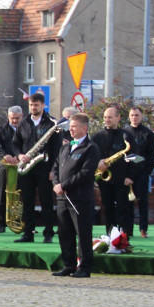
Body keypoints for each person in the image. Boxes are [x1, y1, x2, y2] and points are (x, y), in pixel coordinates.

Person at [51, 113, 100, 278]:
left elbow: (86, 173)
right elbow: (56, 167)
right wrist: (57, 184)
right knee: (65, 233)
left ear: (84, 128)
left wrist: (64, 185)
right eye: (70, 126)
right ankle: (68, 265)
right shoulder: (66, 147)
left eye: (74, 126)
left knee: (83, 234)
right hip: (62, 198)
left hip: (80, 198)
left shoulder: (90, 148)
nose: (70, 129)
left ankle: (85, 267)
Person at [13, 93, 59, 243]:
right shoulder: (23, 122)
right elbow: (15, 143)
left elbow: (57, 149)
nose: (34, 107)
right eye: (31, 105)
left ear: (43, 105)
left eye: (37, 105)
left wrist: (53, 170)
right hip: (27, 167)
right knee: (27, 202)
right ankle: (28, 233)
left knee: (46, 202)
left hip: (44, 168)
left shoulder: (52, 123)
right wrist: (19, 156)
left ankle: (48, 233)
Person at [92, 106, 133, 237]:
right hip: (105, 179)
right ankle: (110, 234)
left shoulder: (126, 136)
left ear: (118, 118)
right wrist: (98, 162)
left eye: (110, 117)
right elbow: (90, 155)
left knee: (123, 208)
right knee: (107, 208)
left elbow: (134, 158)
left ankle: (123, 236)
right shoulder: (97, 136)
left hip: (122, 179)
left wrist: (130, 176)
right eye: (105, 117)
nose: (107, 120)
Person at [126, 107, 154, 238]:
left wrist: (146, 172)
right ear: (129, 117)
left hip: (142, 173)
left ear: (141, 116)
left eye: (137, 115)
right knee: (127, 202)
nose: (134, 117)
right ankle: (128, 229)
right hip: (127, 173)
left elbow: (151, 155)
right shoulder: (124, 132)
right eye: (132, 115)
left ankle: (143, 228)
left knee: (142, 201)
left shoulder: (148, 133)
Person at [0, 106, 23, 233]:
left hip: (22, 165)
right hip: (5, 166)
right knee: (1, 194)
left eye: (17, 118)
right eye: (12, 118)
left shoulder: (27, 128)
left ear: (22, 116)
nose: (14, 121)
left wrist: (19, 156)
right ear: (8, 117)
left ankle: (23, 223)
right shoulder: (2, 129)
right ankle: (0, 224)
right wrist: (5, 155)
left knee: (23, 195)